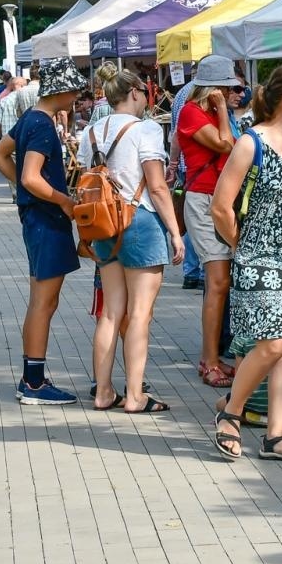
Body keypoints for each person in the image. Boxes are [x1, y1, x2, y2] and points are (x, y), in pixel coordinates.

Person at [208, 63, 282, 463]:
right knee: (272, 343)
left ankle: (276, 438)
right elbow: (220, 207)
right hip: (258, 257)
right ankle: (231, 412)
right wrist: (243, 244)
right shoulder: (250, 143)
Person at [81, 64, 185, 413]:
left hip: (104, 223)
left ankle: (103, 391)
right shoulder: (147, 130)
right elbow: (157, 186)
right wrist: (175, 232)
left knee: (111, 312)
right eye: (145, 93)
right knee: (140, 314)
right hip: (139, 220)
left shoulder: (91, 132)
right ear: (136, 93)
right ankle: (136, 395)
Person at [0, 55, 88, 405]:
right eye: (74, 90)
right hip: (47, 219)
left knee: (40, 301)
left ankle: (32, 376)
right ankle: (33, 383)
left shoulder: (29, 118)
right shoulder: (43, 125)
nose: (76, 96)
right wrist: (63, 200)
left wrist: (22, 188)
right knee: (44, 302)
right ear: (61, 90)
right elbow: (31, 177)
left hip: (36, 217)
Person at [175, 55, 244, 388]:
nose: (234, 94)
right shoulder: (192, 112)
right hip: (203, 201)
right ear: (214, 88)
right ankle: (210, 360)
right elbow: (226, 145)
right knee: (217, 282)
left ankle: (212, 356)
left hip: (219, 201)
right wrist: (221, 110)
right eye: (229, 88)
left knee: (221, 282)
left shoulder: (211, 113)